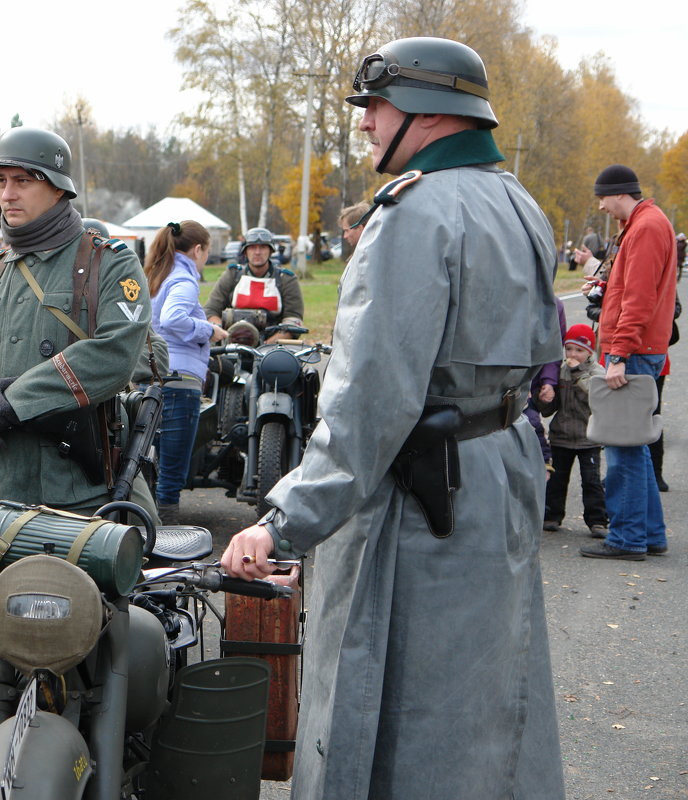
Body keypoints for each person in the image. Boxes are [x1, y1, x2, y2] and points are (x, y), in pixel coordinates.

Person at [222, 37, 565, 799]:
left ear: (425, 111)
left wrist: (282, 523)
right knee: (493, 705)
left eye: (374, 106)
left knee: (402, 717)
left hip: (422, 499)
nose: (367, 124)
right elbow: (543, 353)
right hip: (499, 472)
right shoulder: (520, 204)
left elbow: (368, 406)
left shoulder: (412, 215)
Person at [0, 126, 156, 520]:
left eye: (22, 181)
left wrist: (11, 403)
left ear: (58, 189)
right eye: (1, 182)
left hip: (76, 491)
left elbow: (114, 353)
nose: (7, 194)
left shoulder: (111, 263)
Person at [573, 164, 676, 560]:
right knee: (636, 448)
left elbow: (638, 298)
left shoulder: (646, 227)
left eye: (602, 197)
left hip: (632, 353)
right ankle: (649, 533)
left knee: (622, 448)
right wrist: (603, 286)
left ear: (619, 193)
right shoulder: (644, 223)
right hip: (641, 350)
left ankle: (627, 538)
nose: (600, 206)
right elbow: (631, 289)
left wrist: (617, 354)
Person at [142, 220, 227, 522]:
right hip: (180, 381)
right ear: (198, 249)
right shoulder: (184, 280)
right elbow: (174, 318)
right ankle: (167, 530)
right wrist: (209, 330)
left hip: (153, 375)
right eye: (207, 252)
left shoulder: (156, 275)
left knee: (148, 459)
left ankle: (144, 526)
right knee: (172, 468)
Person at [536, 323, 608, 535]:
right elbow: (550, 409)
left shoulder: (598, 372)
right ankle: (552, 516)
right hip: (562, 436)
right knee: (557, 481)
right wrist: (545, 399)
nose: (573, 354)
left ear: (590, 351)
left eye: (579, 350)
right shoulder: (560, 371)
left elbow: (595, 398)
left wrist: (577, 373)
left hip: (589, 438)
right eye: (569, 349)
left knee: (591, 481)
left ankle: (597, 521)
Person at [204, 226, 304, 345]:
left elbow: (293, 320)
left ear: (271, 251)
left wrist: (267, 345)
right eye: (252, 247)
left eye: (262, 247)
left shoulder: (286, 279)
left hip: (272, 346)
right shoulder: (232, 275)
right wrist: (224, 335)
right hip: (231, 342)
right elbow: (211, 310)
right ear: (245, 252)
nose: (257, 252)